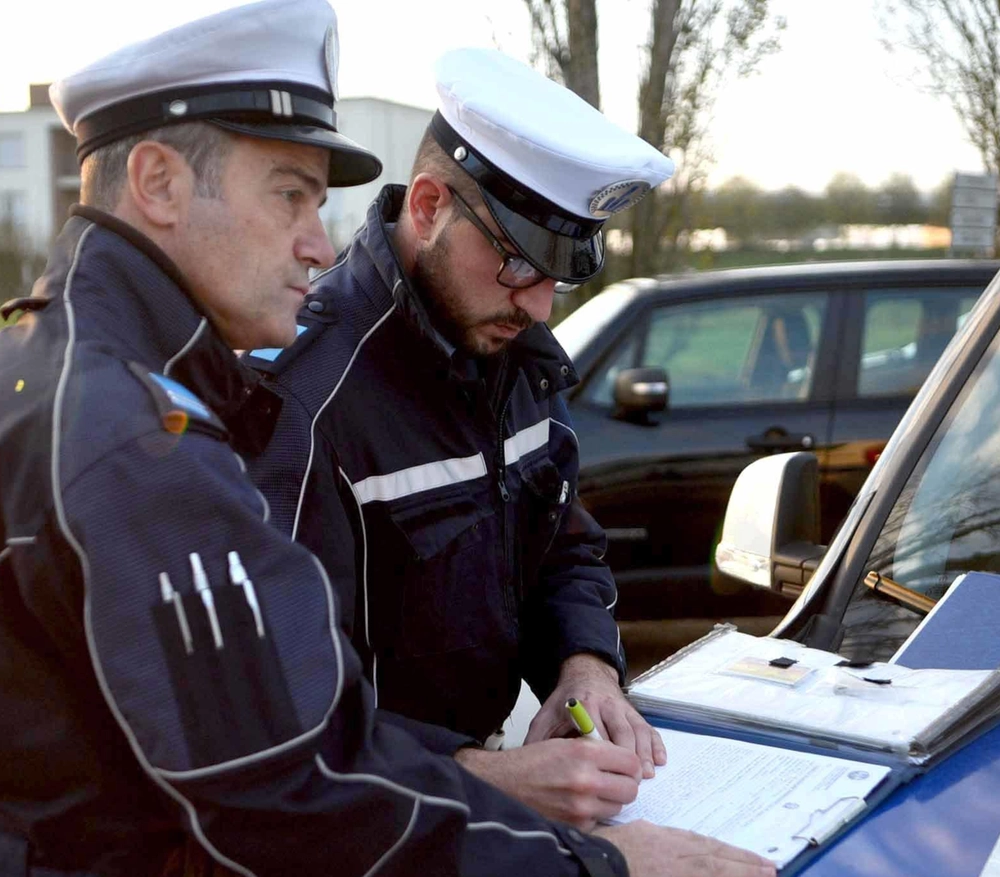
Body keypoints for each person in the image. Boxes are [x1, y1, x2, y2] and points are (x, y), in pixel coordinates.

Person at [0, 3, 774, 876]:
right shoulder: (137, 441)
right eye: (289, 194)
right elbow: (298, 794)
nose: (317, 240)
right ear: (159, 183)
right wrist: (593, 863)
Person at [244, 47, 676, 829]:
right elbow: (277, 705)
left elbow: (563, 550)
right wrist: (490, 781)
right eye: (517, 262)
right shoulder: (304, 396)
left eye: (561, 274)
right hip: (367, 828)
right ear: (428, 204)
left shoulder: (516, 360)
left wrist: (586, 668)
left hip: (476, 793)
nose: (540, 306)